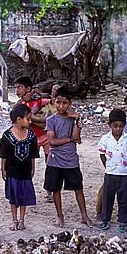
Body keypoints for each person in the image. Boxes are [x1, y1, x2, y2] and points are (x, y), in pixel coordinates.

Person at [44, 87, 93, 228]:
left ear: (70, 103)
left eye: (64, 103)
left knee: (78, 188)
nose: (61, 106)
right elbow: (52, 141)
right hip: (55, 160)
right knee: (56, 189)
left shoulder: (74, 120)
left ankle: (84, 215)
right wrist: (70, 139)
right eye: (58, 102)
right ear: (54, 101)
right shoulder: (51, 120)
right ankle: (60, 215)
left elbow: (77, 137)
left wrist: (77, 121)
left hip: (71, 160)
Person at [0, 104, 40, 231]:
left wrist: (33, 168)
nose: (30, 121)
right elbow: (3, 155)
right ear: (18, 119)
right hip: (12, 171)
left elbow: (33, 153)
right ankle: (14, 220)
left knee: (24, 196)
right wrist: (3, 169)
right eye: (28, 118)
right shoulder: (7, 136)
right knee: (14, 197)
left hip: (25, 170)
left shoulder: (31, 135)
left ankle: (22, 220)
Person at [97, 109, 127, 232]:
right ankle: (105, 219)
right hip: (110, 173)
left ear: (124, 126)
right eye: (115, 126)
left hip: (124, 174)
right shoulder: (105, 139)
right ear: (110, 125)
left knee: (123, 198)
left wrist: (126, 167)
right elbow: (102, 155)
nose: (118, 129)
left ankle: (123, 220)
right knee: (108, 198)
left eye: (120, 126)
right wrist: (107, 166)